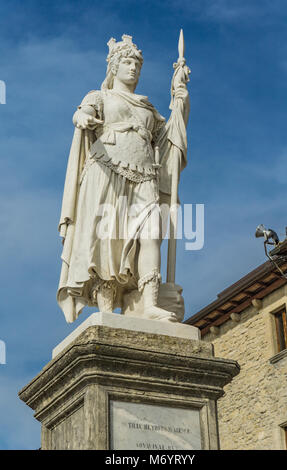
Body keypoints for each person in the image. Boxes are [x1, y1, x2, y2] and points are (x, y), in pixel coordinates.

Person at [57, 35, 189, 323]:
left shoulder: (148, 108)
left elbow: (168, 142)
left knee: (152, 232)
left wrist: (179, 100)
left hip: (145, 175)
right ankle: (106, 310)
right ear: (114, 67)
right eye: (127, 63)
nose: (133, 69)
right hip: (107, 170)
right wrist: (83, 118)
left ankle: (151, 302)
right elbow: (83, 113)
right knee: (109, 242)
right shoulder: (100, 96)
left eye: (137, 65)